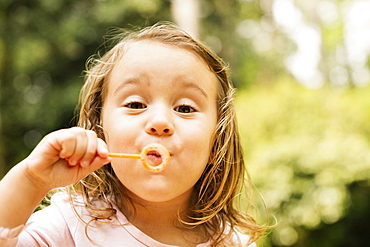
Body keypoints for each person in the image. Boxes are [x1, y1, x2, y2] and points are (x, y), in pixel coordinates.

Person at [0, 22, 268, 246]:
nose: (160, 122)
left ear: (216, 143)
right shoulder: (70, 225)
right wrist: (32, 180)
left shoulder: (234, 243)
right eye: (136, 104)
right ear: (100, 128)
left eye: (185, 108)